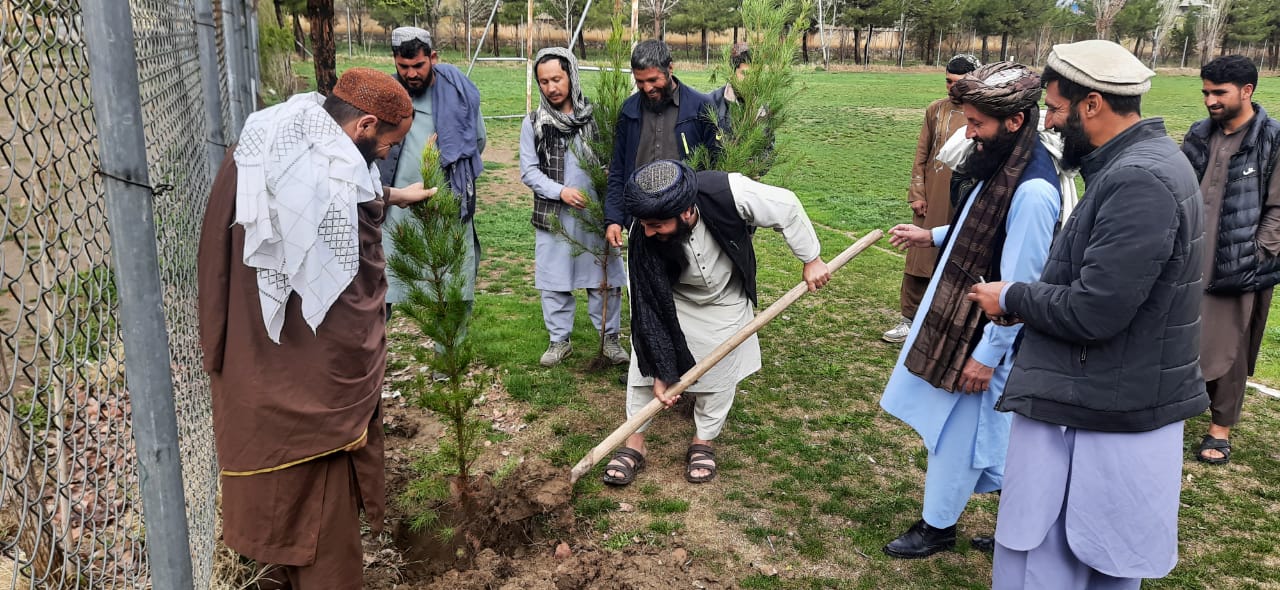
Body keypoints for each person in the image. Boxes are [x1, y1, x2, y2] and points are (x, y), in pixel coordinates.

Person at [968, 40, 1208, 589]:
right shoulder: (1139, 165)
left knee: (1055, 560)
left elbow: (1097, 310)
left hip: (1099, 407)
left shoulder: (1139, 179)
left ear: (1092, 104)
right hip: (1104, 394)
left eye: (1054, 109)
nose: (1049, 124)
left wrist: (1010, 298)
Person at [198, 68, 434, 588]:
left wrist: (393, 196)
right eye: (387, 146)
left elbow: (339, 193)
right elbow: (344, 303)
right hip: (310, 386)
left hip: (253, 367)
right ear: (364, 125)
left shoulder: (272, 136)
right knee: (320, 520)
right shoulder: (330, 193)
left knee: (272, 517)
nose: (385, 158)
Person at [880, 62, 1060, 559]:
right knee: (983, 438)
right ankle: (1019, 525)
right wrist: (931, 235)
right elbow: (979, 230)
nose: (970, 133)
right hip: (970, 329)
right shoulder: (1002, 163)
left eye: (977, 124)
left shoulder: (1033, 190)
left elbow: (1018, 287)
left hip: (986, 341)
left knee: (965, 437)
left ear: (1016, 122)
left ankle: (941, 527)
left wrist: (988, 355)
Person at [601, 160, 830, 486]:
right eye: (644, 224)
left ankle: (703, 441)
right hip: (673, 300)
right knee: (644, 369)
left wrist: (811, 259)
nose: (648, 231)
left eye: (656, 224)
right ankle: (634, 443)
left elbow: (787, 206)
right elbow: (648, 311)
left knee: (720, 375)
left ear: (685, 212)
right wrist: (662, 368)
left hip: (726, 299)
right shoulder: (644, 236)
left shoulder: (730, 192)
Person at [1180, 55, 1280, 465]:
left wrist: (1257, 254)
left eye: (1218, 92)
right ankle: (1179, 403)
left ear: (1247, 91)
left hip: (1241, 259)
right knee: (1182, 331)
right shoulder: (1199, 132)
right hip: (1188, 254)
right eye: (1205, 91)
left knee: (1231, 343)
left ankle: (1219, 427)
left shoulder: (1272, 138)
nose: (1210, 100)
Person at [519, 47, 629, 367]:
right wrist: (560, 192)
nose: (551, 87)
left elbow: (614, 162)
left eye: (557, 78)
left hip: (595, 217)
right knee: (554, 281)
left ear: (571, 76)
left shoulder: (596, 118)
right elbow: (529, 171)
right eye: (543, 82)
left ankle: (609, 340)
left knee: (603, 278)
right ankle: (559, 341)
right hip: (554, 217)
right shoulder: (534, 123)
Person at [378, 26, 486, 331]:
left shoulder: (458, 92)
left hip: (448, 205)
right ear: (395, 61)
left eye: (418, 66)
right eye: (403, 66)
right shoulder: (385, 94)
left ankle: (448, 354)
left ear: (433, 57)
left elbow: (476, 141)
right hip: (395, 211)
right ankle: (371, 362)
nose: (411, 74)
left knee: (453, 284)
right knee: (380, 286)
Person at [882, 54, 980, 344]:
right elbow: (921, 155)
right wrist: (917, 193)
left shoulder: (984, 113)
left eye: (958, 83)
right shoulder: (935, 110)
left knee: (959, 257)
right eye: (948, 81)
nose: (952, 88)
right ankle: (908, 319)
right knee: (919, 260)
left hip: (966, 198)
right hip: (933, 195)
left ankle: (948, 322)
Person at [603, 39, 719, 249]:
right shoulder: (628, 111)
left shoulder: (701, 107)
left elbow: (716, 168)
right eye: (640, 81)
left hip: (687, 223)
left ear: (670, 69)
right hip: (641, 224)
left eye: (653, 80)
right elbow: (618, 170)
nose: (647, 88)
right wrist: (613, 218)